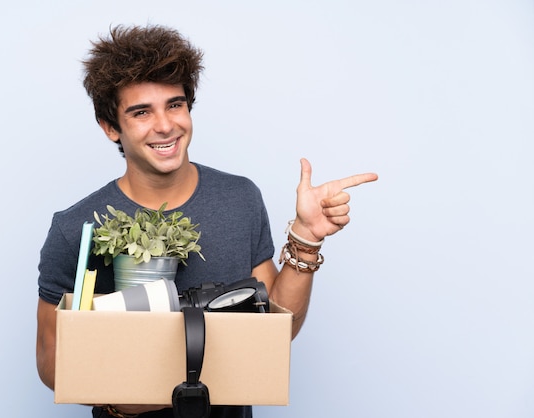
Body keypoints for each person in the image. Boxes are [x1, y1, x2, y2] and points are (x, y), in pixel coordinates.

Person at [36, 24, 378, 418]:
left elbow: (276, 331)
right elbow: (50, 361)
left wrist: (307, 237)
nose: (165, 125)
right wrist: (128, 399)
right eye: (141, 112)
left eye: (175, 105)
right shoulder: (75, 227)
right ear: (111, 127)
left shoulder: (239, 199)